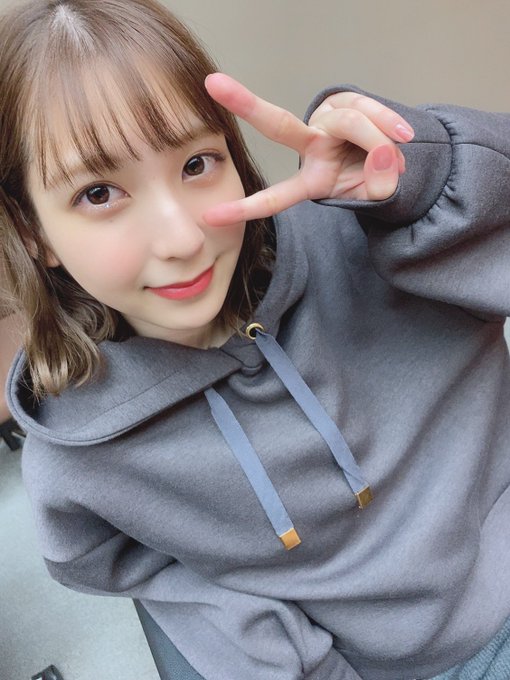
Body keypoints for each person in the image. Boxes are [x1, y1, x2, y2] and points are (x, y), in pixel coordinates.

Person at [1, 1, 509, 679]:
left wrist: (430, 182)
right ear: (32, 232)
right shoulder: (79, 461)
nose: (183, 238)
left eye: (196, 163)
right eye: (99, 193)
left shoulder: (364, 239)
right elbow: (165, 584)